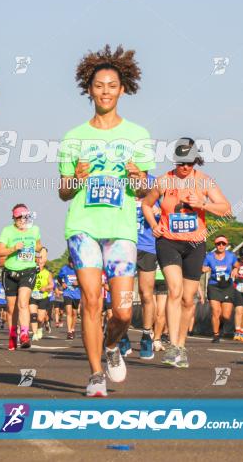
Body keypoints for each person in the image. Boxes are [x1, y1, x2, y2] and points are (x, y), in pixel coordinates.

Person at [57, 44, 155, 396]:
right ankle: (95, 373)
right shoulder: (73, 138)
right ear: (89, 90)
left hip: (121, 231)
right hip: (83, 228)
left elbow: (144, 189)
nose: (105, 92)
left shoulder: (138, 136)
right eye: (99, 86)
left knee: (124, 312)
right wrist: (77, 179)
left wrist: (135, 177)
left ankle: (112, 345)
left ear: (122, 89)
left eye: (112, 86)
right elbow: (63, 192)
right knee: (91, 301)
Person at [142, 137, 232, 368]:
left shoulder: (204, 182)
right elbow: (146, 204)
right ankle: (172, 345)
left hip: (194, 244)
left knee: (188, 299)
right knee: (174, 290)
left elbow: (226, 209)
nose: (185, 167)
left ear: (195, 162)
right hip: (168, 242)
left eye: (190, 163)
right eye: (181, 162)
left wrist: (203, 205)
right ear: (175, 161)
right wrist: (154, 225)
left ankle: (181, 345)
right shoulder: (164, 181)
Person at [0, 204, 42, 351]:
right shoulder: (7, 231)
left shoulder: (35, 230)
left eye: (24, 217)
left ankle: (24, 334)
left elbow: (39, 246)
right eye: (18, 217)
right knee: (11, 309)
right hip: (10, 272)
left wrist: (41, 252)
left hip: (28, 271)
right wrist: (13, 248)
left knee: (23, 303)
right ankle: (12, 336)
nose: (22, 220)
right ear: (14, 218)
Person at [134, 173, 161, 359]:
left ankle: (146, 335)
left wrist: (159, 212)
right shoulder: (119, 180)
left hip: (147, 246)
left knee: (146, 293)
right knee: (123, 295)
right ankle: (121, 337)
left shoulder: (153, 181)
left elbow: (166, 208)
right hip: (123, 245)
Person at [202, 235, 236, 343]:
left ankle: (220, 326)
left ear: (226, 245)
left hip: (227, 286)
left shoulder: (231, 256)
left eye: (223, 244)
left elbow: (236, 265)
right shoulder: (209, 256)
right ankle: (216, 335)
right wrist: (205, 269)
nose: (220, 246)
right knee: (216, 311)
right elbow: (202, 267)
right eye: (218, 244)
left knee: (226, 315)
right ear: (215, 245)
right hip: (214, 286)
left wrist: (235, 269)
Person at [30, 248, 54, 341]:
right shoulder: (32, 271)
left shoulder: (47, 273)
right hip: (32, 296)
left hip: (43, 297)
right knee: (33, 315)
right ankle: (34, 333)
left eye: (42, 263)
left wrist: (46, 288)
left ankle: (40, 328)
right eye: (38, 262)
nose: (40, 264)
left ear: (44, 264)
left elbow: (51, 285)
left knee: (40, 319)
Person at [57, 260, 80, 340]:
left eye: (74, 263)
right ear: (68, 262)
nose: (72, 264)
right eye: (71, 262)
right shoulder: (64, 269)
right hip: (67, 293)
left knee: (74, 313)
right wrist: (62, 283)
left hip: (77, 294)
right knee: (69, 312)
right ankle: (69, 331)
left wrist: (78, 282)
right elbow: (59, 277)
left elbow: (85, 280)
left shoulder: (79, 269)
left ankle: (73, 329)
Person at [152, 264, 169, 352]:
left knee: (161, 312)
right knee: (153, 312)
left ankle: (157, 339)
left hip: (164, 280)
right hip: (150, 279)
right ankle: (150, 332)